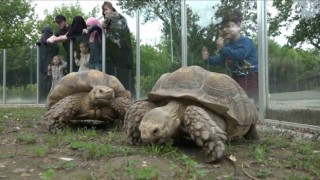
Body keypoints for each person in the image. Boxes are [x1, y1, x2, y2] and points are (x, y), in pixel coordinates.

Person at [201, 10, 258, 102]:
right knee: (235, 99)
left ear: (238, 25)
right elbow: (221, 59)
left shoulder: (245, 42)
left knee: (247, 100)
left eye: (228, 26)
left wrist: (222, 49)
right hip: (236, 78)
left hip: (250, 76)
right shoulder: (228, 46)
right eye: (221, 28)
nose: (224, 30)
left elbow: (240, 55)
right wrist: (208, 59)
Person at [102, 1, 135, 97]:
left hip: (117, 53)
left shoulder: (110, 17)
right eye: (104, 10)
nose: (104, 12)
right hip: (121, 53)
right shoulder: (121, 18)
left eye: (106, 10)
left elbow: (102, 25)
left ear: (111, 8)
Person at [36, 26, 59, 103]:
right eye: (45, 33)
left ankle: (48, 99)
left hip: (50, 66)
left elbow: (55, 54)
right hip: (43, 67)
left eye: (47, 33)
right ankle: (42, 98)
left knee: (50, 83)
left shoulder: (52, 43)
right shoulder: (41, 43)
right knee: (44, 83)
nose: (45, 35)